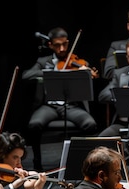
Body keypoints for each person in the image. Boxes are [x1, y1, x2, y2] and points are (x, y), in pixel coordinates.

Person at [21, 27, 97, 171]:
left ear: (68, 43)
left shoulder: (78, 62)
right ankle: (37, 162)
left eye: (64, 44)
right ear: (50, 45)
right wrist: (50, 73)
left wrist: (84, 74)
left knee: (90, 124)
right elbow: (26, 75)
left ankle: (84, 162)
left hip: (71, 105)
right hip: (49, 106)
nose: (62, 49)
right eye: (57, 45)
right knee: (34, 124)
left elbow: (89, 77)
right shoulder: (44, 61)